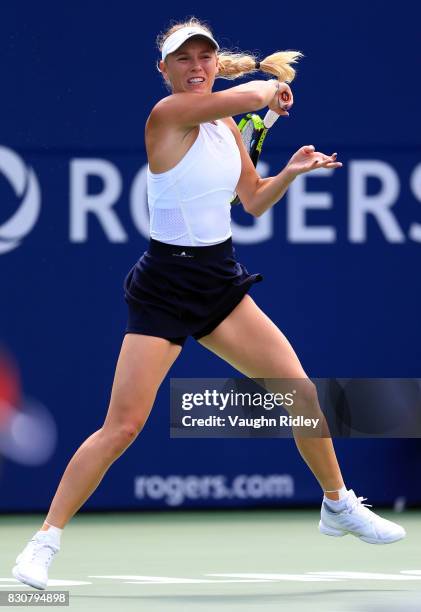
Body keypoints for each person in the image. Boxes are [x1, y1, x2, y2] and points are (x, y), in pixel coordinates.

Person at [12, 17, 405, 591]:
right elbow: (253, 94)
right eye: (184, 59)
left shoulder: (224, 122)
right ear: (165, 70)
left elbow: (251, 201)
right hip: (164, 284)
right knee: (122, 426)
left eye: (204, 58)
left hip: (220, 280)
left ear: (213, 64)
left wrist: (290, 173)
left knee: (299, 391)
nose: (195, 67)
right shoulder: (167, 115)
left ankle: (337, 503)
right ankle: (43, 542)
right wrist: (269, 87)